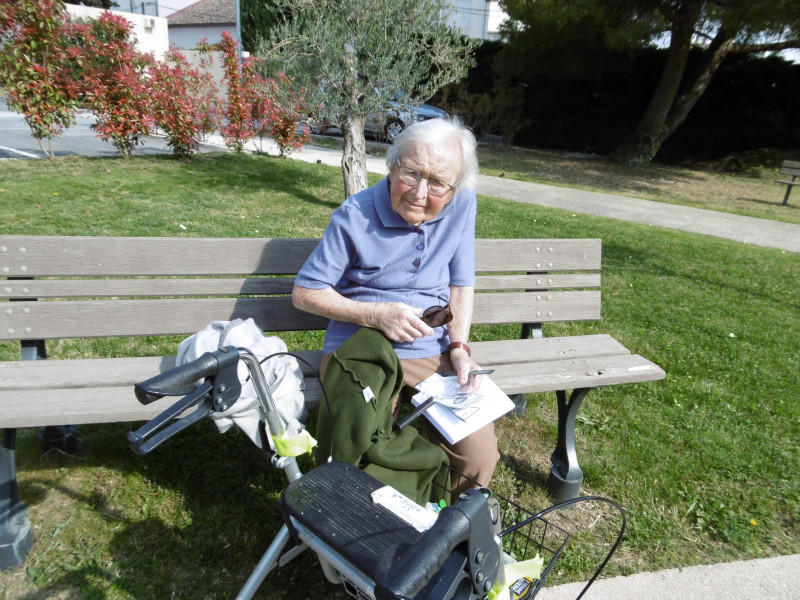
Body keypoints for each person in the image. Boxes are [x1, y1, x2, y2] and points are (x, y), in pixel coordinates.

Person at [292, 117, 499, 487]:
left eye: (436, 182)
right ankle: (366, 523)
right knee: (363, 449)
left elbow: (461, 284)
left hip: (430, 350)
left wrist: (459, 348)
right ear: (392, 165)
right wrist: (375, 315)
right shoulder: (354, 216)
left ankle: (441, 524)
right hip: (361, 349)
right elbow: (305, 293)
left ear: (454, 189)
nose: (420, 192)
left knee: (478, 456)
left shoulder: (462, 205)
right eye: (412, 173)